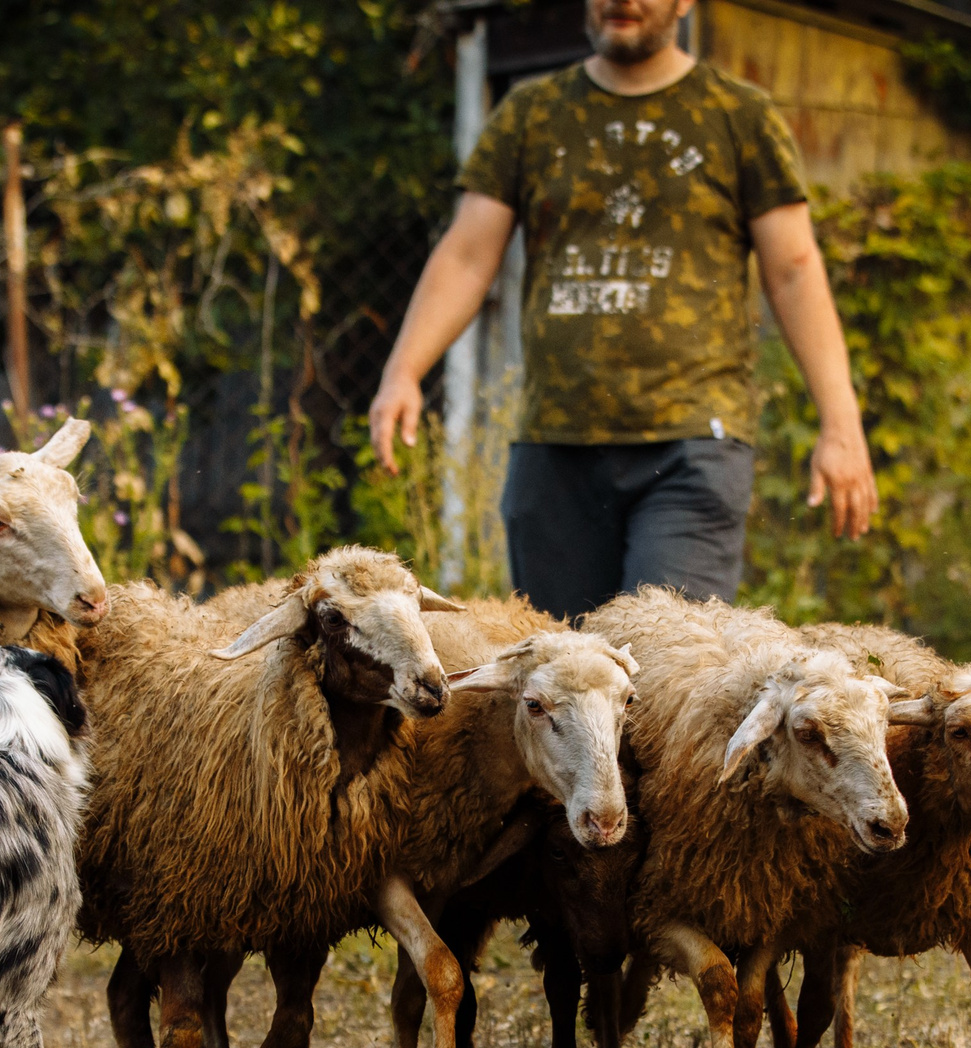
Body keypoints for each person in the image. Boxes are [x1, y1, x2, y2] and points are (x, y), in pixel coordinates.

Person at [370, 0, 876, 618]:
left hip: (691, 445)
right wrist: (403, 371)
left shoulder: (739, 115)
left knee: (663, 666)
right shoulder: (533, 114)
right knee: (560, 681)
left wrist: (841, 424)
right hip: (556, 445)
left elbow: (793, 270)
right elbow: (468, 256)